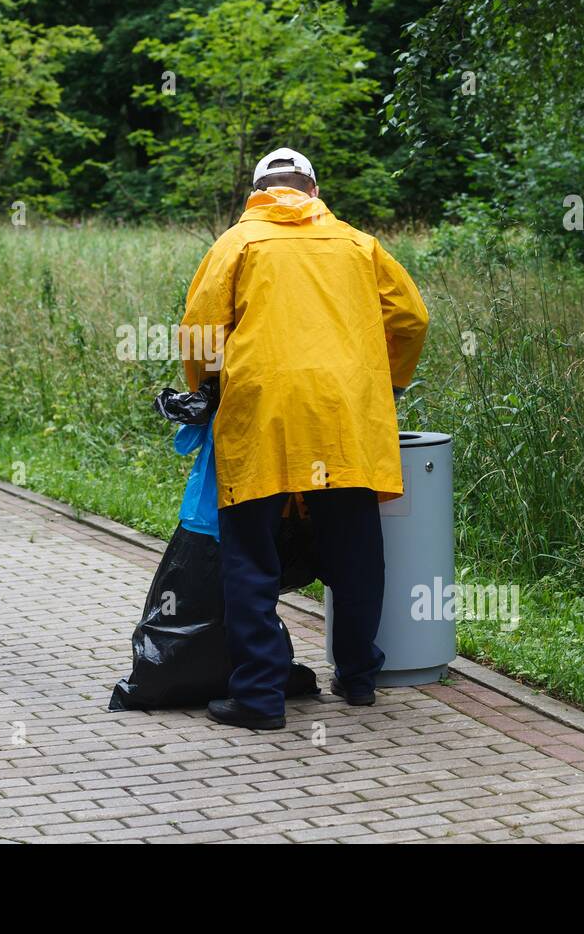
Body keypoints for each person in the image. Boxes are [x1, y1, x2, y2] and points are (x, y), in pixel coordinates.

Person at [179, 147, 429, 730]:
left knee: (251, 558)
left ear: (258, 193)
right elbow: (411, 318)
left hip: (263, 416)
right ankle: (360, 679)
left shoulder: (236, 245)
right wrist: (386, 378)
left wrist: (207, 386)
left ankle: (260, 700)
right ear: (313, 191)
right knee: (357, 549)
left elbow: (198, 331)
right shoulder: (359, 245)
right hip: (346, 420)